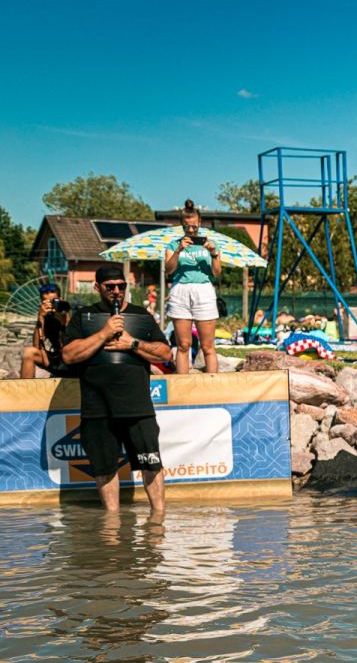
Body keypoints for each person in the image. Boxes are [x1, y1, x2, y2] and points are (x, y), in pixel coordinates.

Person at [60, 264, 173, 512]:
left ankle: (158, 522)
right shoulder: (83, 317)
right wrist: (104, 334)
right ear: (97, 287)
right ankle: (111, 525)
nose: (116, 292)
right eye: (110, 287)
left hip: (137, 407)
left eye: (121, 286)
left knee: (151, 464)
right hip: (98, 409)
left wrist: (132, 344)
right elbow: (68, 355)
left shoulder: (141, 316)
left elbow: (165, 354)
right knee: (104, 469)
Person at [164, 200, 223, 374]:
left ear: (199, 223)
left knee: (208, 346)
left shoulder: (211, 244)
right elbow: (169, 270)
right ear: (182, 225)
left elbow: (217, 273)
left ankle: (212, 384)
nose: (190, 230)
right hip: (180, 291)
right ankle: (183, 384)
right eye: (186, 227)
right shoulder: (173, 245)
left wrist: (214, 254)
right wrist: (178, 250)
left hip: (203, 290)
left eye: (194, 226)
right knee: (183, 345)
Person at [19, 281, 70, 379]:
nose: (52, 306)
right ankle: (24, 388)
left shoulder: (71, 313)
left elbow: (70, 345)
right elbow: (36, 347)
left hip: (75, 359)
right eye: (48, 303)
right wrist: (40, 318)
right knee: (29, 352)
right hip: (57, 359)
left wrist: (64, 321)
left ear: (61, 299)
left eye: (54, 302)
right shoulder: (47, 318)